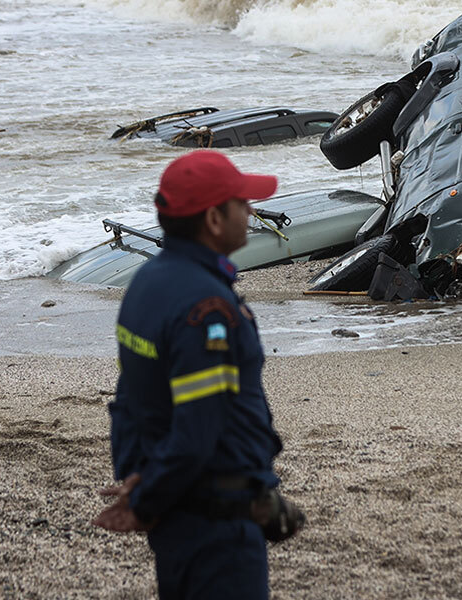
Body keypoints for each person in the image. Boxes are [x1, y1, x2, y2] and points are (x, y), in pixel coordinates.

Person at [93, 150, 304, 599]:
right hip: (216, 520)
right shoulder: (208, 309)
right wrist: (145, 501)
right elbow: (197, 431)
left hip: (178, 513)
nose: (249, 212)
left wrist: (137, 479)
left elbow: (127, 399)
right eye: (240, 203)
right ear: (213, 219)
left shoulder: (146, 284)